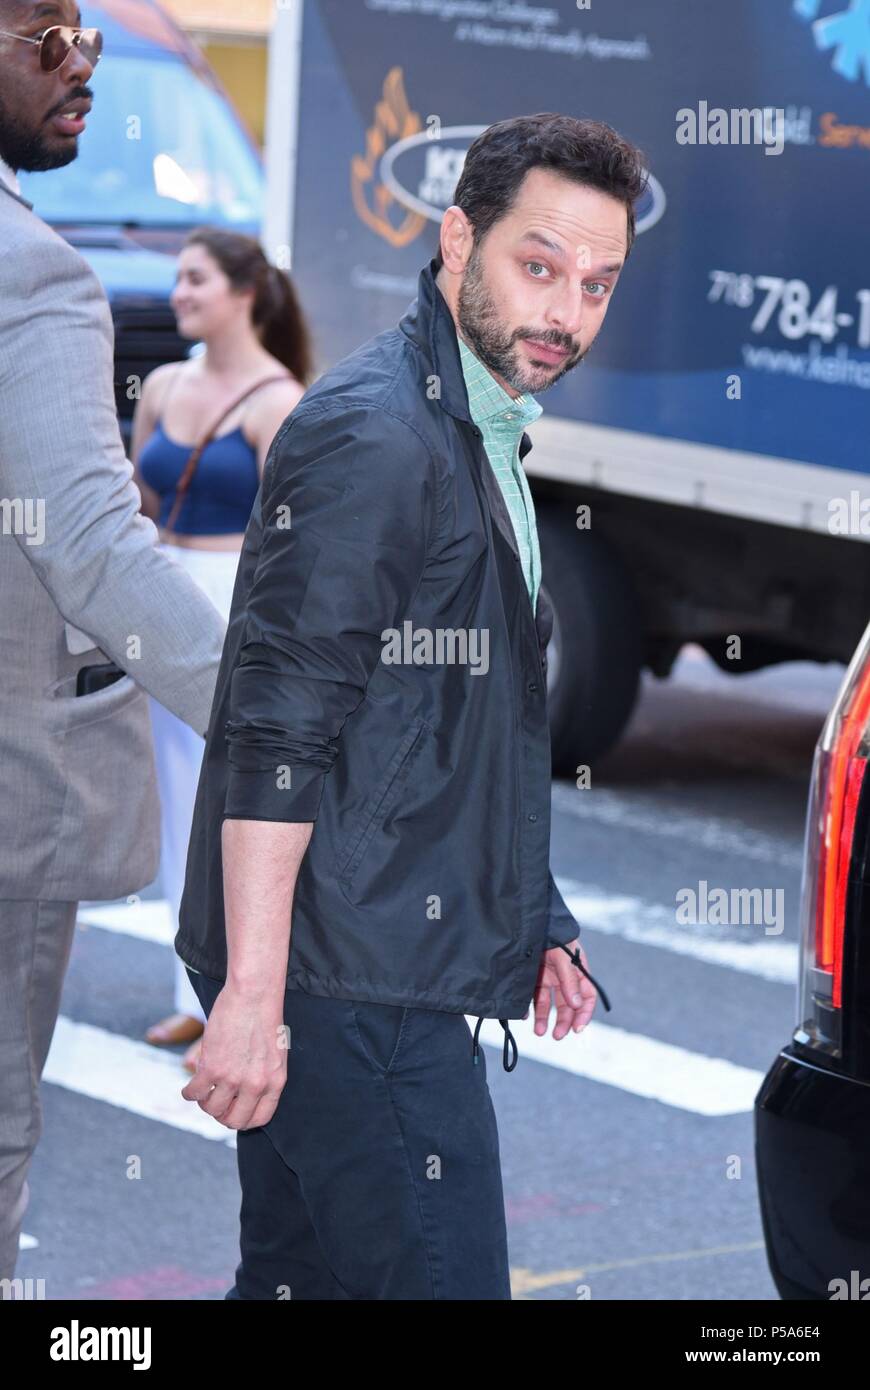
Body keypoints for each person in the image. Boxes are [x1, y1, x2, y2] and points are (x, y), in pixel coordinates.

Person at [177, 112, 640, 1300]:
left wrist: (534, 906)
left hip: (366, 956)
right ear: (455, 239)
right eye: (538, 266)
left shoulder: (471, 423)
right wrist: (253, 997)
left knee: (296, 1282)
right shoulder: (379, 436)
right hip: (351, 986)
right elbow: (280, 729)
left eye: (597, 284)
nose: (567, 315)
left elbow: (454, 723)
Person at [0, 0, 228, 1286]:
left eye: (82, 27)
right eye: (39, 31)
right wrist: (285, 711)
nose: (78, 55)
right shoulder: (32, 271)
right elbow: (91, 545)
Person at [131, 230, 310, 1071]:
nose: (177, 293)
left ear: (243, 291)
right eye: (176, 279)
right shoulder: (163, 384)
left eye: (194, 278)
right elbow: (132, 501)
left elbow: (294, 537)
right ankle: (187, 990)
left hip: (234, 607)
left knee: (234, 803)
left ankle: (242, 985)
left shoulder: (280, 401)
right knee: (174, 799)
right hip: (160, 600)